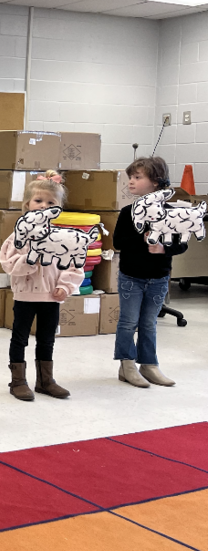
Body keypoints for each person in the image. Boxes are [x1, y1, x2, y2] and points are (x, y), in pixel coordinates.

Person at [0, 172, 84, 401]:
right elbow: (8, 263)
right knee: (20, 338)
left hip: (51, 297)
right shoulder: (18, 236)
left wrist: (65, 286)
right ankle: (18, 381)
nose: (44, 206)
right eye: (38, 201)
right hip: (25, 297)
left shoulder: (63, 237)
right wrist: (30, 260)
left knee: (47, 339)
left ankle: (45, 381)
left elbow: (74, 264)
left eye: (50, 202)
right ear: (27, 205)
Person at [113, 156, 185, 388]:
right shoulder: (128, 212)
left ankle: (149, 364)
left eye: (137, 177)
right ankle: (126, 364)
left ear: (155, 182)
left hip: (158, 278)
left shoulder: (170, 213)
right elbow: (118, 242)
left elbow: (182, 243)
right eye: (130, 177)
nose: (131, 182)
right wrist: (141, 238)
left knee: (148, 323)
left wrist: (164, 247)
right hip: (131, 277)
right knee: (128, 322)